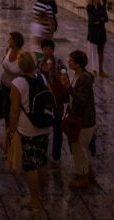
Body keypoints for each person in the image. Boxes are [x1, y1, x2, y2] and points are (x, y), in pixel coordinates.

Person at [7, 51, 51, 212]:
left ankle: (34, 199)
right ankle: (43, 193)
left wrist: (12, 131)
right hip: (44, 125)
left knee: (31, 165)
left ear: (20, 65)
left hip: (28, 128)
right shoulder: (42, 77)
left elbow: (14, 109)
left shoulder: (18, 83)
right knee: (42, 160)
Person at [65, 49, 96, 189]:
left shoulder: (84, 78)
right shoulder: (77, 75)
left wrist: (69, 88)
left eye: (71, 60)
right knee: (83, 149)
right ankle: (89, 172)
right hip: (79, 118)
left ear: (78, 64)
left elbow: (82, 100)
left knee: (79, 149)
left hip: (83, 121)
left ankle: (83, 178)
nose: (68, 62)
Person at [38, 39, 69, 167]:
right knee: (43, 128)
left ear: (53, 50)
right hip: (44, 101)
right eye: (45, 49)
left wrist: (54, 73)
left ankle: (56, 157)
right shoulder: (39, 63)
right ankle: (42, 153)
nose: (47, 52)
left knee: (57, 129)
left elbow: (65, 81)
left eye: (49, 49)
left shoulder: (59, 64)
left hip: (56, 102)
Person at [0, 31, 24, 128]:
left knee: (14, 109)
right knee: (5, 110)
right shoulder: (8, 50)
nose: (8, 40)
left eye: (10, 39)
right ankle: (7, 132)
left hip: (15, 88)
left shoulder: (21, 55)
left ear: (16, 41)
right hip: (5, 84)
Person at [86, 0, 108, 77]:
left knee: (101, 51)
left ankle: (100, 69)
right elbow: (92, 19)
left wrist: (99, 19)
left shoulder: (102, 7)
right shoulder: (89, 7)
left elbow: (106, 18)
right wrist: (100, 18)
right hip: (93, 32)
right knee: (93, 51)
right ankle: (93, 69)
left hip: (101, 32)